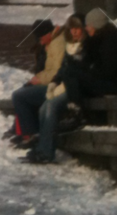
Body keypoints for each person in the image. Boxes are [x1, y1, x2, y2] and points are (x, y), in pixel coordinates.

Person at [13, 15, 86, 163]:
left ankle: (42, 148)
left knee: (46, 105)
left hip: (72, 87)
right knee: (26, 96)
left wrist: (42, 80)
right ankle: (34, 140)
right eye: (72, 29)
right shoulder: (64, 44)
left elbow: (66, 71)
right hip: (63, 84)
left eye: (77, 29)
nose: (73, 33)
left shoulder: (63, 44)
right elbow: (61, 70)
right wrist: (51, 80)